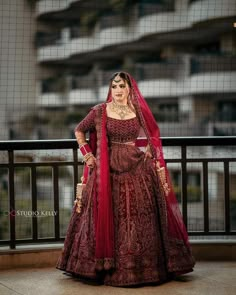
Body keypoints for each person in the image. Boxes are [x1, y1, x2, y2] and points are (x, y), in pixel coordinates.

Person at [56, 71, 195, 286]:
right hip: (107, 170)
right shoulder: (100, 111)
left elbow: (153, 133)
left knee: (139, 215)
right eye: (114, 86)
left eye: (122, 86)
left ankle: (141, 265)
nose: (118, 90)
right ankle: (104, 265)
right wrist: (88, 154)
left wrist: (150, 150)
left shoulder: (136, 110)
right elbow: (79, 130)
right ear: (110, 89)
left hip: (136, 166)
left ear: (130, 88)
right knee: (109, 214)